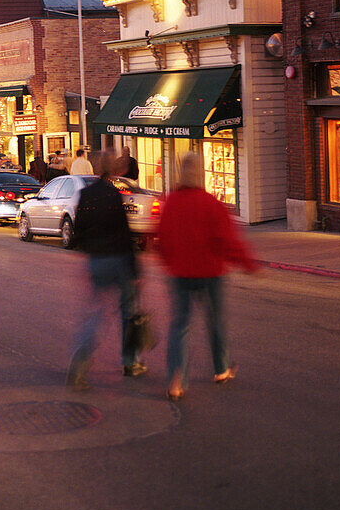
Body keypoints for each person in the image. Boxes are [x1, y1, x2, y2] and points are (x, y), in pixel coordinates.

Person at [156, 152, 259, 401]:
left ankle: (176, 379)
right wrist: (248, 264)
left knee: (179, 326)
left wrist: (170, 263)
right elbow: (227, 240)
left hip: (180, 274)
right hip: (210, 273)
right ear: (201, 173)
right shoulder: (211, 204)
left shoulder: (171, 203)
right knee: (215, 322)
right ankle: (221, 369)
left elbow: (160, 239)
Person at [66, 149, 143, 389]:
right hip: (119, 259)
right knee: (128, 311)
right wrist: (134, 269)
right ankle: (130, 362)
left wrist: (91, 249)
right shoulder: (113, 195)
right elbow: (124, 232)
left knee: (96, 313)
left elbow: (78, 232)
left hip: (97, 260)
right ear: (112, 170)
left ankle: (80, 363)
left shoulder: (86, 195)